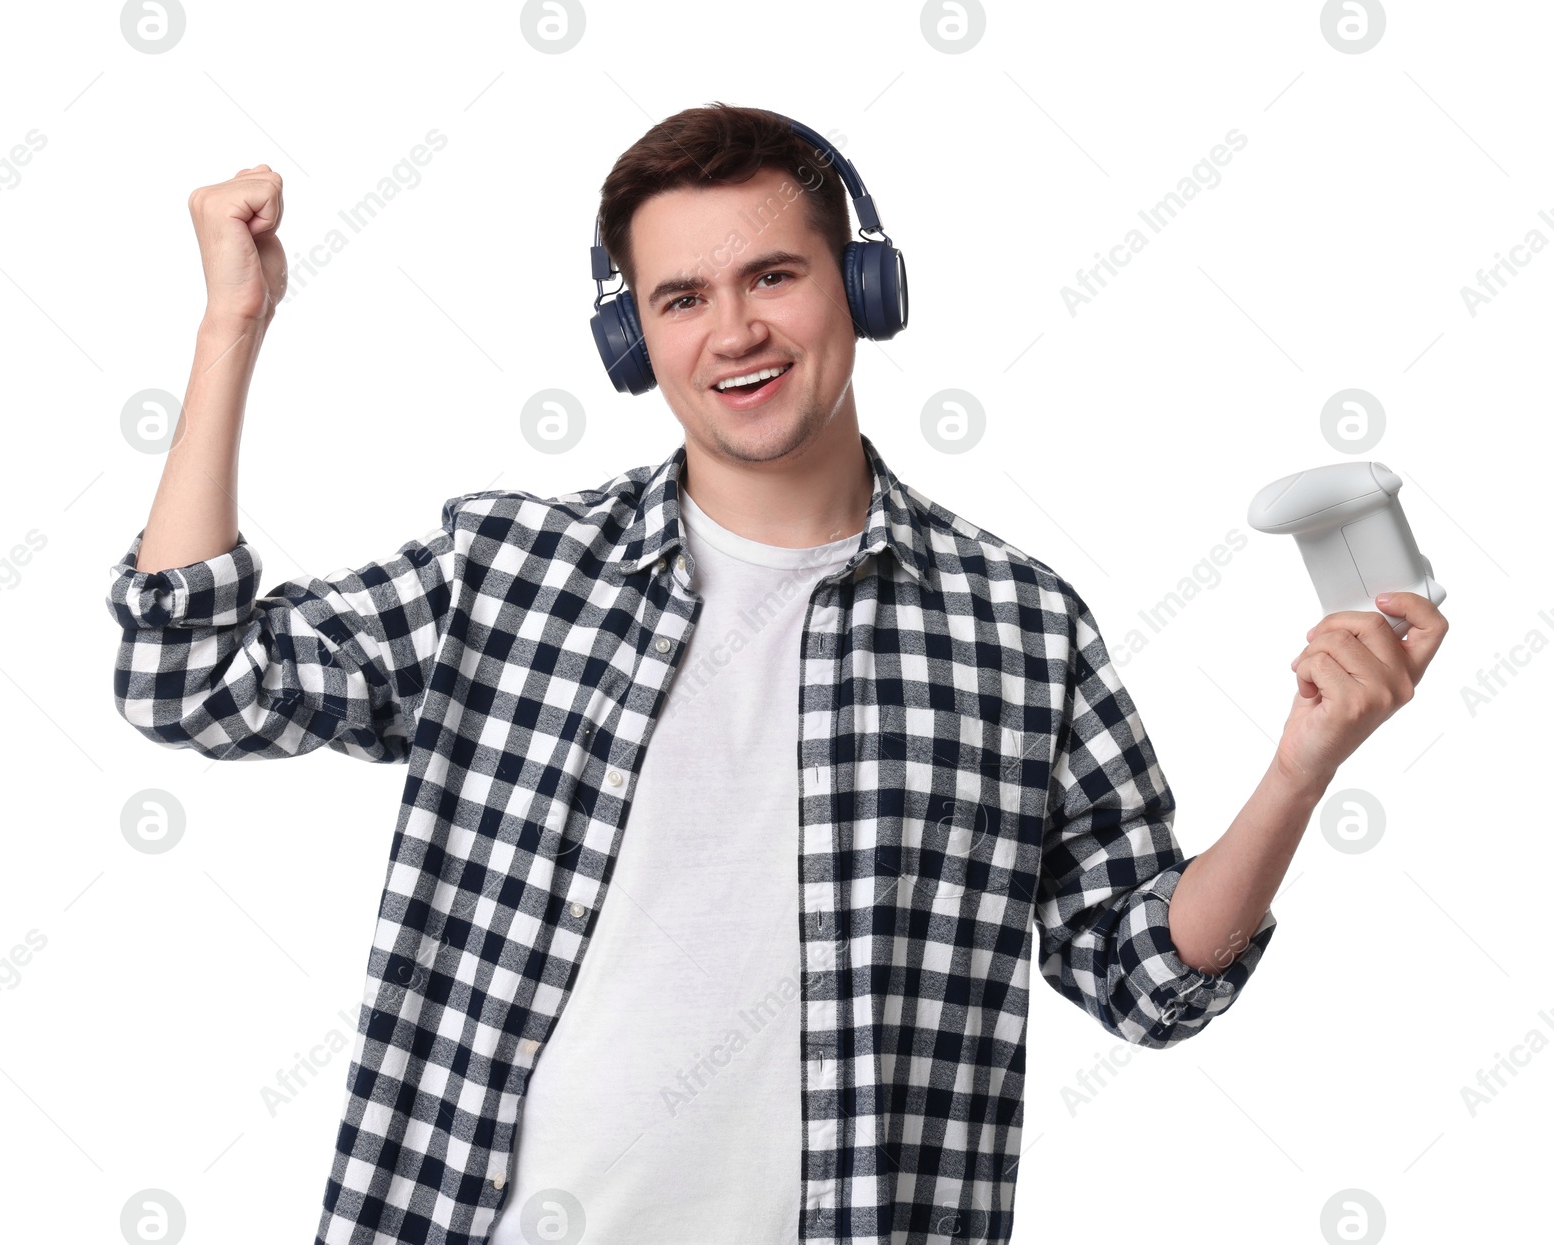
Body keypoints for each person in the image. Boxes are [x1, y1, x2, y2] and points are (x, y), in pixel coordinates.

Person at [104, 102, 1448, 1245]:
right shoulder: (505, 571)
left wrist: (1300, 766)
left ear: (861, 289)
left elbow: (1149, 976)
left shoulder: (1018, 625)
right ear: (634, 341)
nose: (732, 329)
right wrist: (234, 324)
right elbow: (190, 677)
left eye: (773, 278)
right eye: (680, 298)